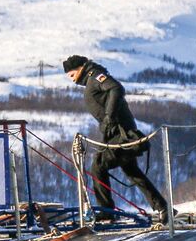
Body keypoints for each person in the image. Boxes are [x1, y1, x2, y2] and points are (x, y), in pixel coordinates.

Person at [63, 55, 169, 223]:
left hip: (122, 135)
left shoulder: (95, 76)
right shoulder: (92, 78)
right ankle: (163, 207)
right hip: (116, 134)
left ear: (80, 68)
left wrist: (109, 118)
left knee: (98, 167)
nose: (72, 79)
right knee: (132, 172)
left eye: (71, 74)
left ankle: (107, 212)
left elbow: (116, 88)